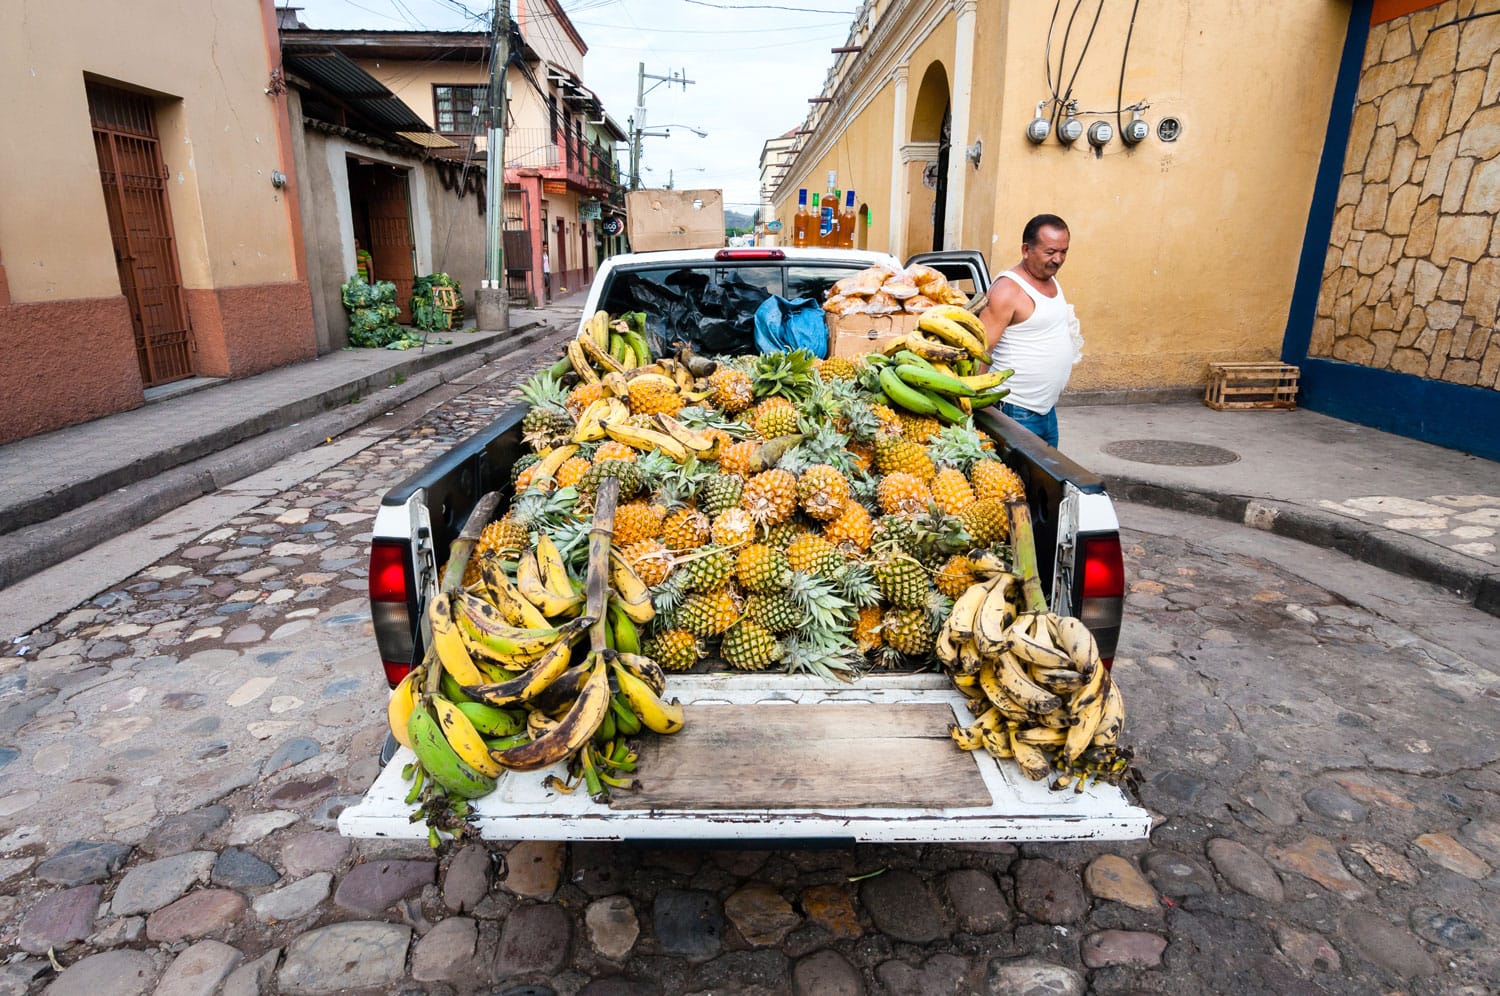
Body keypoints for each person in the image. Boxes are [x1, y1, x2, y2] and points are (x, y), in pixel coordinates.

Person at [977, 213, 1076, 448]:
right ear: (1026, 250)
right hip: (1015, 410)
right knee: (1018, 484)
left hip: (1046, 411)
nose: (1058, 259)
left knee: (1047, 483)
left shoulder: (1051, 280)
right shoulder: (1008, 291)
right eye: (1050, 252)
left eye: (1064, 252)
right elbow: (981, 349)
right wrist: (975, 411)